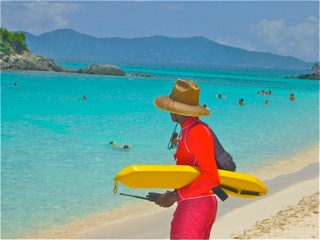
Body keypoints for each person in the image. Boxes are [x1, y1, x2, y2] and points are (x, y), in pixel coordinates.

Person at [153, 79, 220, 239]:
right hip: (198, 201)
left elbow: (211, 178)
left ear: (174, 109)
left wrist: (176, 196)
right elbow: (192, 172)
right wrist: (174, 193)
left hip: (195, 204)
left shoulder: (196, 132)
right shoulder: (190, 129)